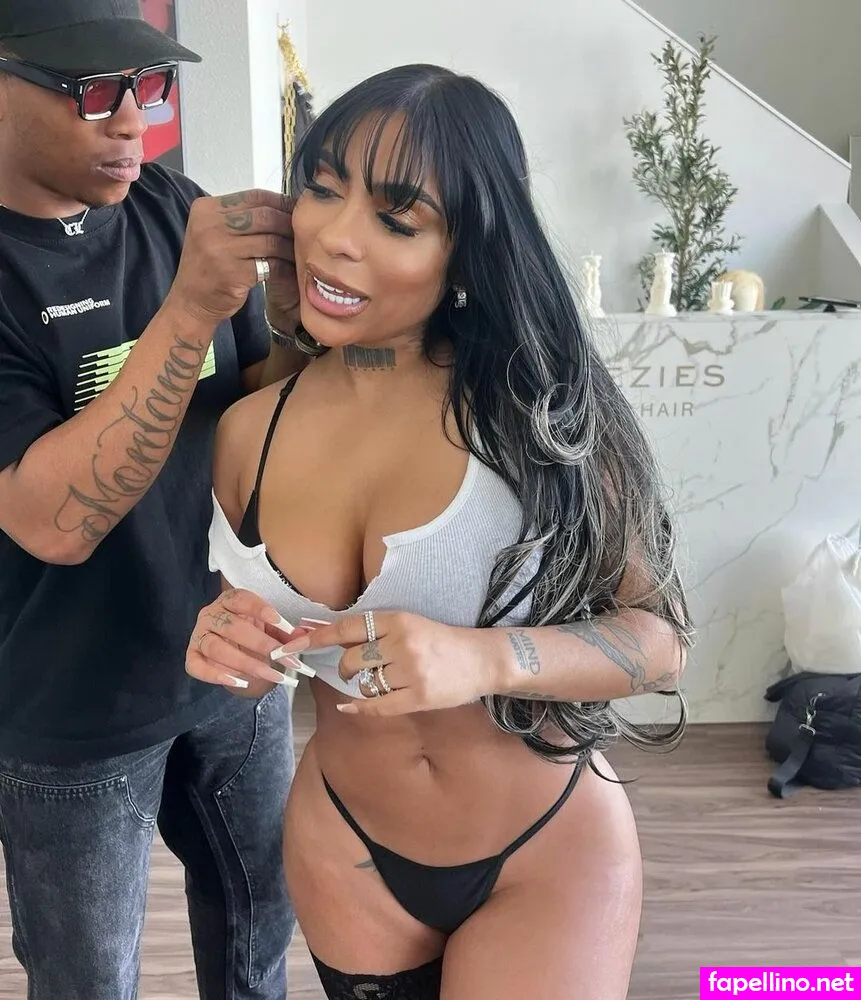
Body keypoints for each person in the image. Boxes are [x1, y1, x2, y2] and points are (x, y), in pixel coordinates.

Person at [186, 63, 695, 999]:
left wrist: (484, 659)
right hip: (344, 845)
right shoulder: (249, 430)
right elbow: (250, 631)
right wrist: (224, 635)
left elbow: (659, 643)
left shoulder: (539, 417)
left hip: (541, 849)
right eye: (322, 189)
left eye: (396, 219)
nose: (336, 238)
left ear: (465, 250)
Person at [0, 3, 308, 998]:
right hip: (67, 704)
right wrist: (189, 308)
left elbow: (261, 414)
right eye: (93, 91)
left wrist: (298, 326)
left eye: (147, 86)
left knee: (259, 943)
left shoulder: (177, 208)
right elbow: (52, 521)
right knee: (87, 981)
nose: (134, 121)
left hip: (228, 655)